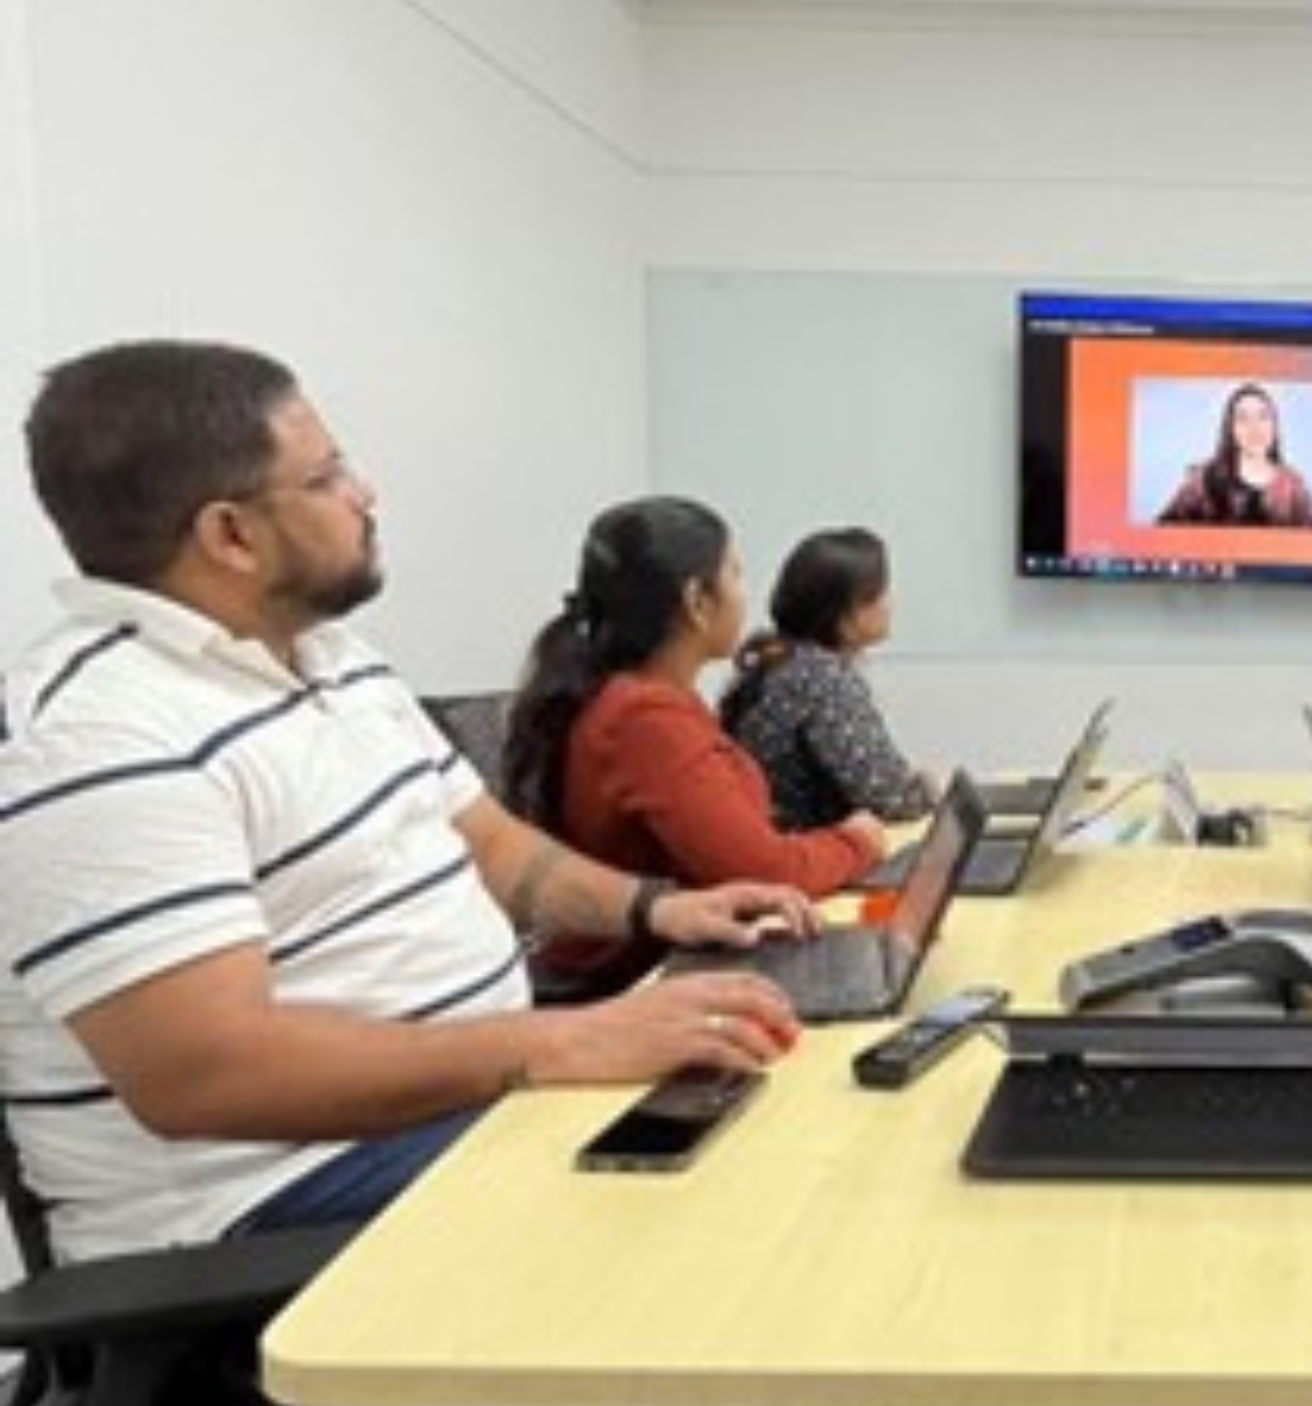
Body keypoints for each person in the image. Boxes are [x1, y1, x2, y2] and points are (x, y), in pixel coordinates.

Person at [0, 341, 810, 1268]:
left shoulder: (336, 661)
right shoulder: (98, 741)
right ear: (231, 535)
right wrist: (561, 1042)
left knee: (785, 1107)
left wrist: (655, 906)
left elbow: (496, 850)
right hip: (270, 1201)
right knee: (750, 1210)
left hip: (450, 1107)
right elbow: (208, 1075)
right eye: (329, 473)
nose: (367, 492)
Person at [504, 498, 887, 1003]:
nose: (745, 595)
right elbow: (765, 870)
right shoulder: (644, 720)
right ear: (697, 601)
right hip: (636, 984)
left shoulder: (652, 698)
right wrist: (856, 841)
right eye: (735, 574)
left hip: (671, 961)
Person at [720, 528, 936, 827]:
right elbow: (892, 800)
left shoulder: (778, 658)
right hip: (811, 857)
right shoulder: (822, 679)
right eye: (879, 593)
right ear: (845, 615)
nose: (889, 603)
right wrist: (930, 788)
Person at [1155, 382, 1312, 528]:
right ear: (1230, 429)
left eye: (1263, 417)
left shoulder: (1294, 488)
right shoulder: (1203, 480)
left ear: (1275, 426)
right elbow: (1163, 530)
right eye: (1243, 418)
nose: (1254, 427)